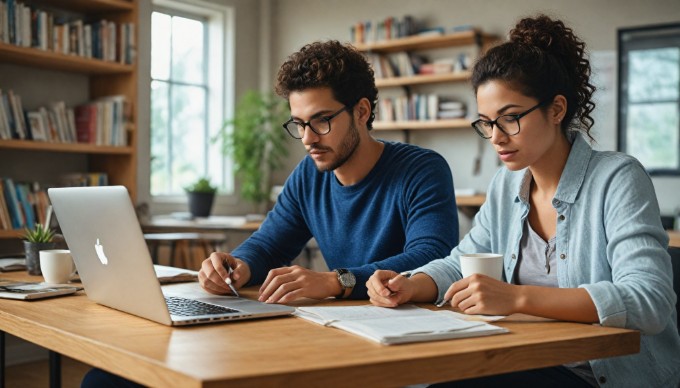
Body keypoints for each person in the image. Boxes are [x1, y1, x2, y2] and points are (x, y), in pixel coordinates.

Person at [366, 14, 680, 387]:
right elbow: (462, 262)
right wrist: (411, 284)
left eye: (510, 118)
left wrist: (515, 298)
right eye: (486, 122)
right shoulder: (507, 184)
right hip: (524, 359)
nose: (496, 136)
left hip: (599, 375)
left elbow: (649, 301)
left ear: (557, 109)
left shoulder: (618, 178)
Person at [199, 40, 459, 303]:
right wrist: (238, 266)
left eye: (321, 120)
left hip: (415, 325)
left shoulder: (422, 170)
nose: (308, 139)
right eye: (300, 124)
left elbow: (431, 255)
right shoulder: (308, 175)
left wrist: (336, 281)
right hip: (344, 322)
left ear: (361, 111)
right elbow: (268, 246)